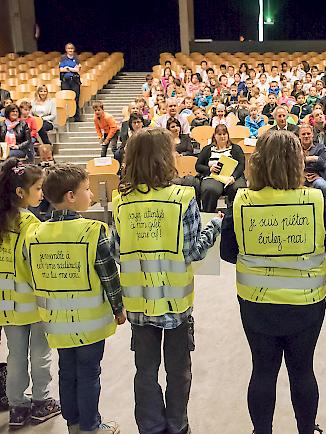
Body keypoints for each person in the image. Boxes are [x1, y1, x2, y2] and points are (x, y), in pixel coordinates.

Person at [220, 130, 326, 434]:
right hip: (306, 305)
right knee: (302, 371)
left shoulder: (240, 202)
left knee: (262, 370)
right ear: (297, 163)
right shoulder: (317, 202)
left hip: (257, 303)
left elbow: (227, 253)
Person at [111, 128, 222, 434]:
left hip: (138, 303)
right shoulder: (183, 197)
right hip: (176, 304)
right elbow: (194, 251)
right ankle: (177, 425)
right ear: (164, 158)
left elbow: (118, 250)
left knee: (144, 371)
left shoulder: (121, 201)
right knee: (178, 371)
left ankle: (149, 427)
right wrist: (215, 229)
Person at [25, 164, 125, 434]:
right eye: (87, 190)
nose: (91, 195)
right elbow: (109, 277)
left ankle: (74, 423)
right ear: (71, 196)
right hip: (90, 324)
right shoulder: (95, 230)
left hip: (56, 323)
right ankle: (92, 426)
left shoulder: (34, 234)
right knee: (89, 373)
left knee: (66, 371)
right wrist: (119, 309)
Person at [0, 160, 60, 429]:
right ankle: (40, 401)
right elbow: (38, 264)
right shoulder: (29, 223)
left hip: (6, 303)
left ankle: (16, 406)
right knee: (40, 354)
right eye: (38, 188)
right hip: (34, 304)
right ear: (21, 193)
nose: (42, 193)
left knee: (15, 355)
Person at [195, 124, 247, 212]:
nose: (222, 136)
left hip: (232, 177)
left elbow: (241, 165)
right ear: (215, 136)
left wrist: (233, 177)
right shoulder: (207, 149)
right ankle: (208, 214)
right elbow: (198, 166)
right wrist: (209, 169)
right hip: (213, 177)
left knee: (238, 188)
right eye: (219, 134)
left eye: (224, 134)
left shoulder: (236, 148)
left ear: (228, 135)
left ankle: (234, 215)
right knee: (210, 189)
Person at [299, 124, 326, 201]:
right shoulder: (295, 148)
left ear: (312, 135)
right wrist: (313, 158)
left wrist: (303, 160)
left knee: (324, 186)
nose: (306, 136)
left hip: (317, 177)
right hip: (299, 178)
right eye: (303, 134)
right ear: (299, 136)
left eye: (308, 133)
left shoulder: (320, 147)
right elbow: (293, 163)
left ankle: (325, 210)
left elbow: (323, 164)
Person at [59, 43, 82, 122]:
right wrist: (72, 68)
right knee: (65, 99)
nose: (70, 50)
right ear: (66, 50)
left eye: (71, 49)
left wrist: (68, 68)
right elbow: (61, 69)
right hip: (65, 81)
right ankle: (66, 117)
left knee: (76, 99)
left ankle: (77, 117)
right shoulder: (63, 58)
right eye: (69, 49)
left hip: (75, 81)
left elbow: (77, 70)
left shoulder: (76, 58)